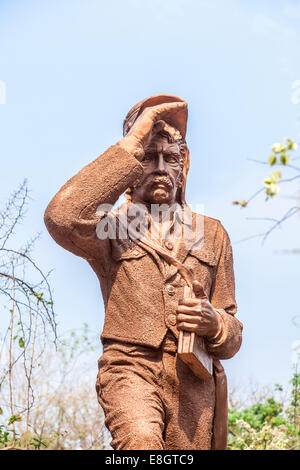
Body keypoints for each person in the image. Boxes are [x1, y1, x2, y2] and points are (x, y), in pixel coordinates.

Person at [44, 94, 243, 450]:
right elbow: (62, 217)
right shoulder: (110, 227)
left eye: (171, 159)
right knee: (140, 443)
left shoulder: (212, 233)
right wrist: (132, 142)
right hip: (130, 368)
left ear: (183, 169)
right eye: (149, 157)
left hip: (193, 385)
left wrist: (213, 323)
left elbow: (232, 334)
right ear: (131, 171)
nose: (162, 167)